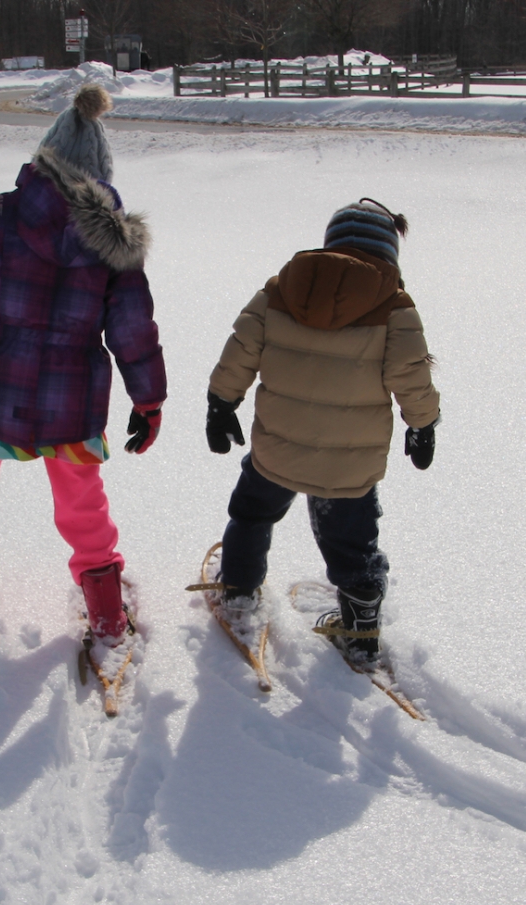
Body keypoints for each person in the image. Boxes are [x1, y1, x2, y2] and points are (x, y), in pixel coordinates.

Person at [0, 84, 165, 643]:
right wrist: (148, 398)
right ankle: (107, 606)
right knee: (82, 501)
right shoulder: (114, 245)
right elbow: (133, 328)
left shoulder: (3, 217)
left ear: (45, 159)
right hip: (73, 404)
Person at [204, 198, 439, 663]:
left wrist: (220, 403)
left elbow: (240, 351)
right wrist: (423, 425)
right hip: (349, 463)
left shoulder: (282, 289)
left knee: (252, 514)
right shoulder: (394, 305)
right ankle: (361, 629)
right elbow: (411, 376)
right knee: (352, 545)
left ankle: (237, 588)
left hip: (277, 447)